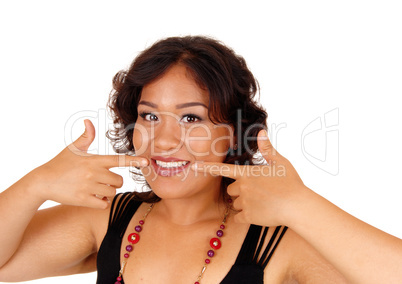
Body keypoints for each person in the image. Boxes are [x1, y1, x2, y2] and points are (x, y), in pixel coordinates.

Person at [0, 35, 400, 284]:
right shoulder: (107, 219)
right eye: (149, 116)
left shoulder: (281, 242)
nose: (164, 138)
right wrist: (35, 184)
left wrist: (300, 205)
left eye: (192, 117)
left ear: (234, 133)